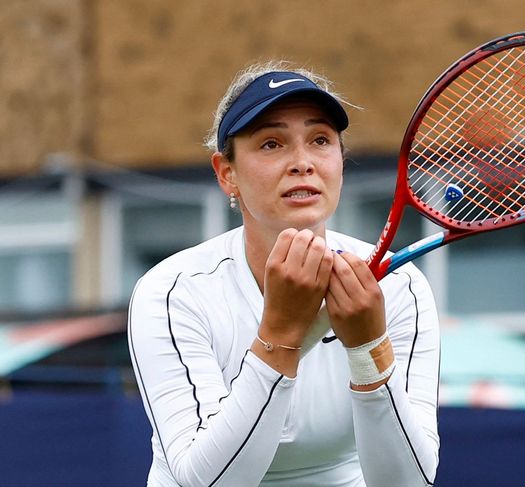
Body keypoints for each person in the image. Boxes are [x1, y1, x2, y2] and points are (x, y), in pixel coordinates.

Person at [128, 60, 440, 486]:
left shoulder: (403, 288)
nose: (302, 162)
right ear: (226, 174)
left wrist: (370, 351)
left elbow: (407, 483)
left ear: (340, 161)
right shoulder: (170, 293)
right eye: (272, 144)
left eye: (320, 140)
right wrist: (281, 332)